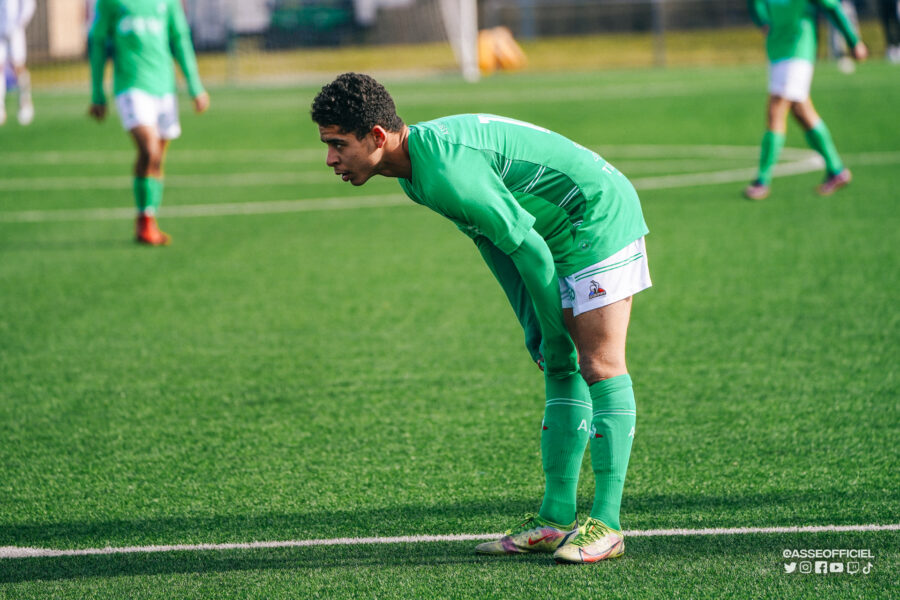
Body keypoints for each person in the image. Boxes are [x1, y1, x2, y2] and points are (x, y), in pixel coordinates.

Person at [311, 73, 651, 564]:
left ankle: (609, 526)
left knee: (597, 362)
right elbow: (493, 242)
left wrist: (555, 334)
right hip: (552, 228)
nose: (330, 159)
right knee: (559, 365)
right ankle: (556, 520)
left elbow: (530, 249)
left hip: (594, 214)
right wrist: (534, 324)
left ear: (377, 136)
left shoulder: (445, 173)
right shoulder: (414, 173)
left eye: (338, 144)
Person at [88, 0, 210, 246]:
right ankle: (144, 222)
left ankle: (148, 219)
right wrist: (97, 93)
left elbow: (180, 39)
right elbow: (98, 42)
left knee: (157, 159)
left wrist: (195, 86)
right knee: (149, 150)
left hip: (164, 87)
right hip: (131, 85)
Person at [744, 0, 868, 201]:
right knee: (801, 111)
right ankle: (836, 170)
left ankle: (762, 180)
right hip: (777, 48)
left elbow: (832, 7)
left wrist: (853, 41)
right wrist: (762, 21)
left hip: (798, 46)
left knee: (776, 108)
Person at [0, 0, 35, 126]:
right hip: (0, 30)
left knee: (18, 67)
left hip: (15, 31)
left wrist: (18, 24)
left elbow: (28, 5)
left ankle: (25, 103)